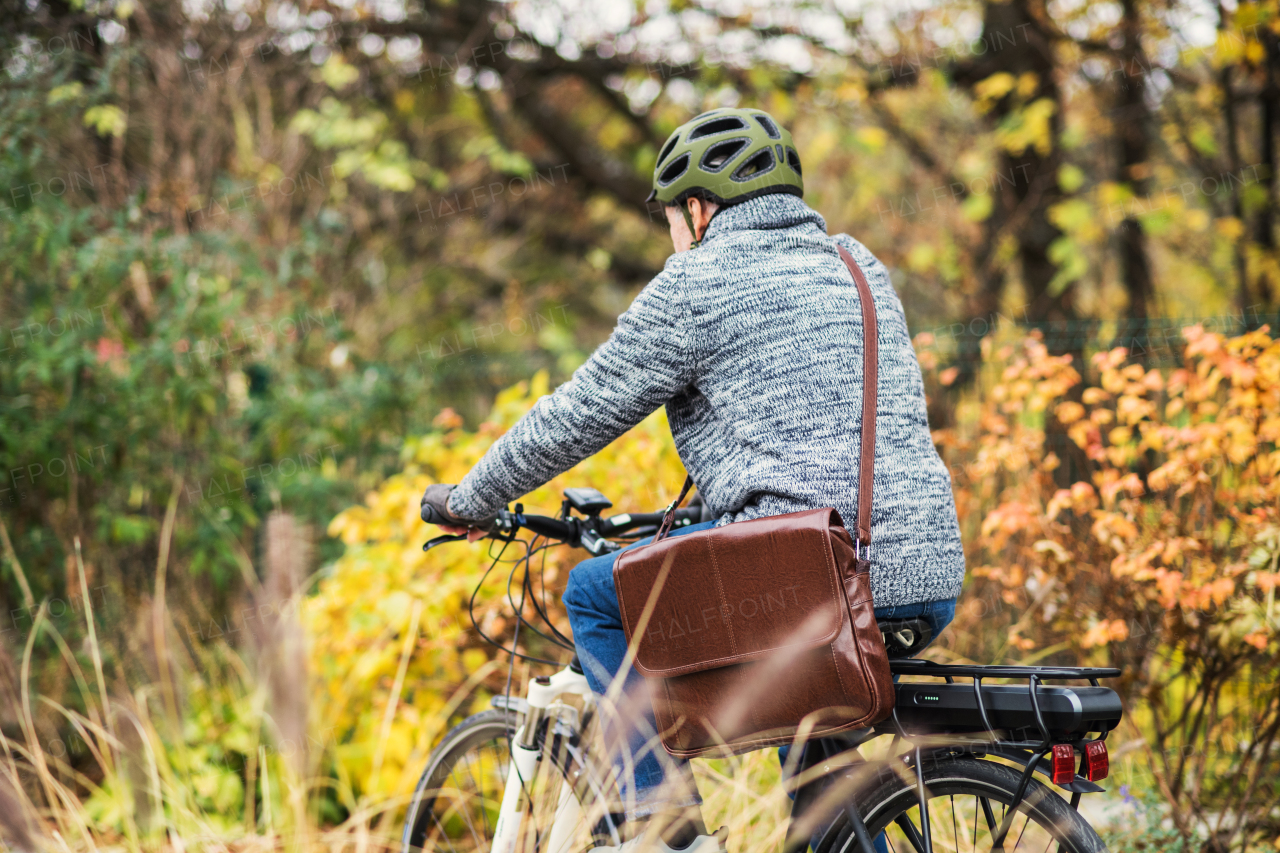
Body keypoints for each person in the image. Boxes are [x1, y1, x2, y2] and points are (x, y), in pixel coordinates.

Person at [421, 107, 965, 853]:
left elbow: (574, 414)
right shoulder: (856, 263)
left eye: (671, 218)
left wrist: (472, 498)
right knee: (814, 774)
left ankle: (666, 830)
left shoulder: (698, 282)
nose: (673, 235)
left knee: (594, 594)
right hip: (921, 577)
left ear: (698, 210)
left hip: (810, 585)